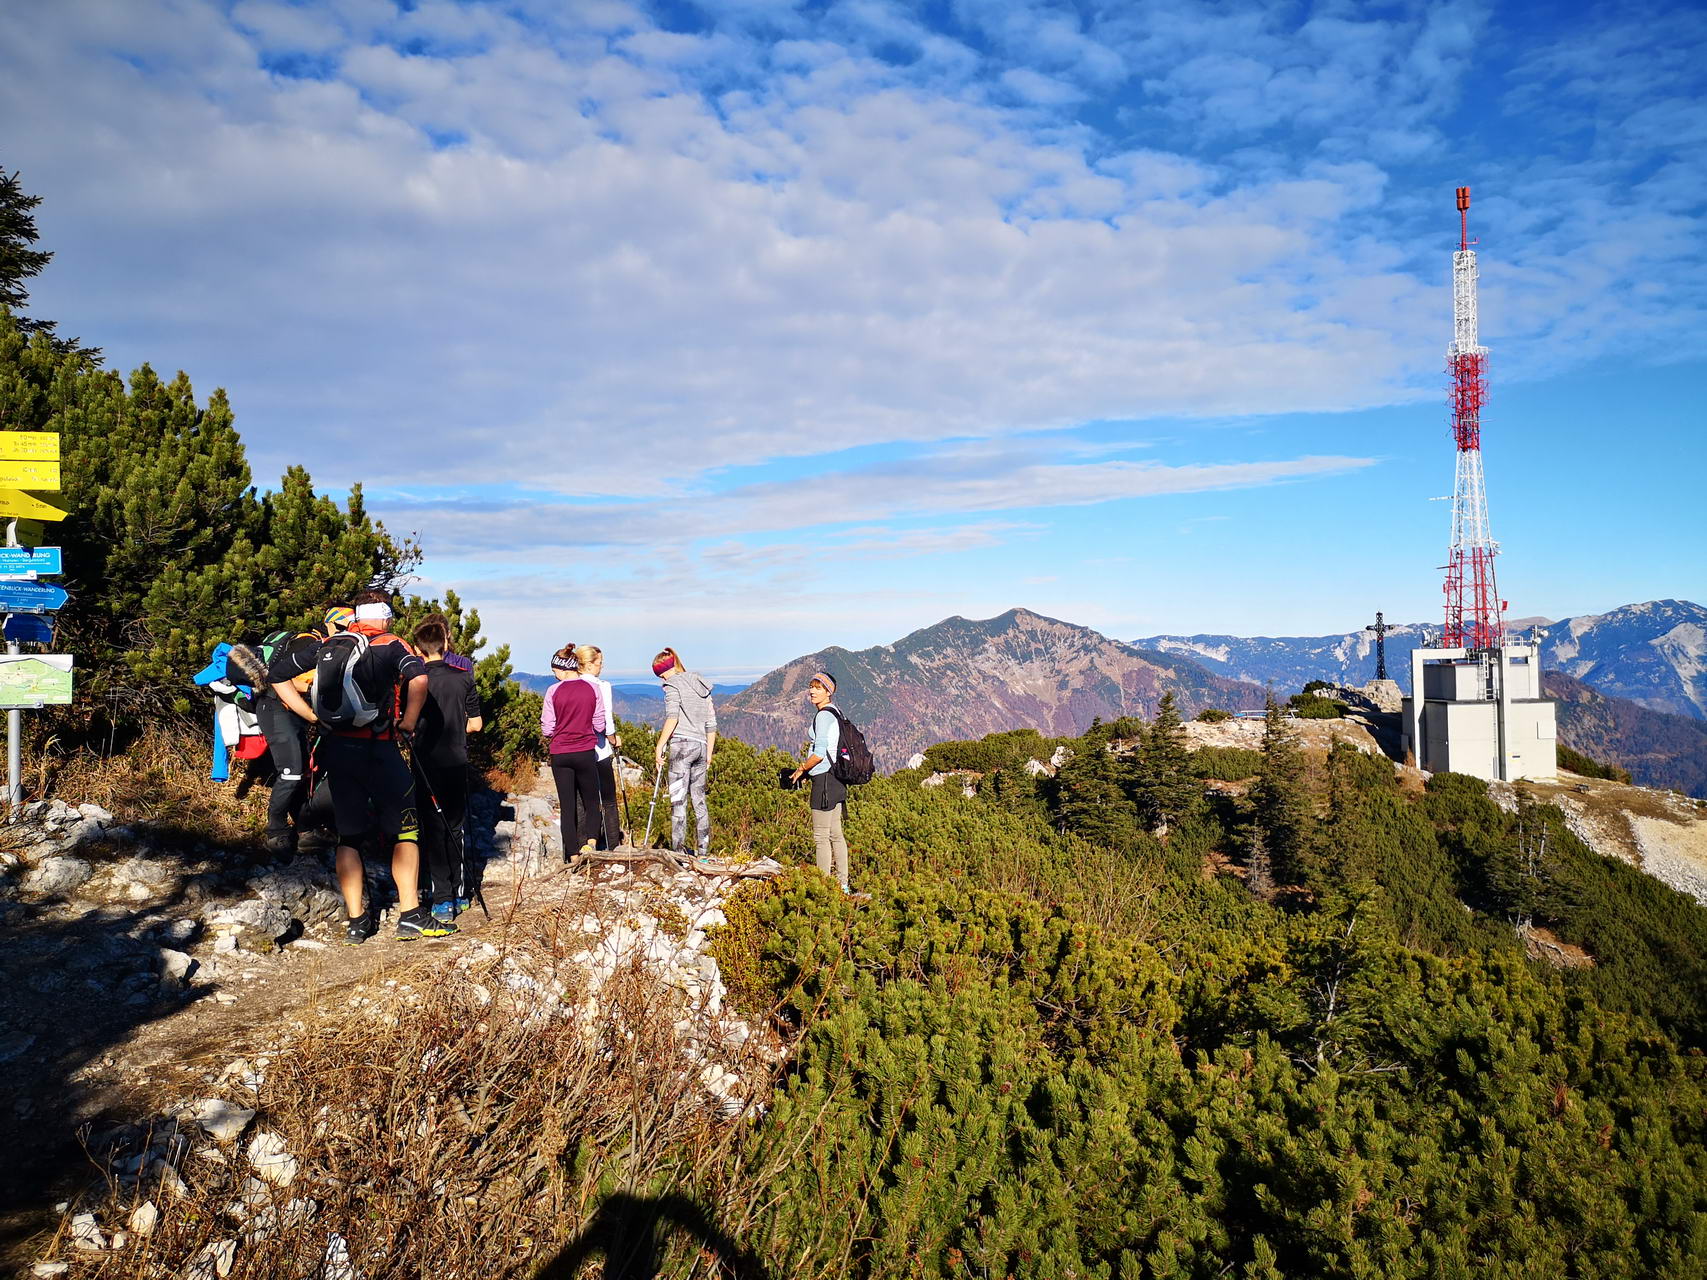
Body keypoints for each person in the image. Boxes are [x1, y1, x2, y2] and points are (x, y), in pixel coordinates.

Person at [309, 590, 454, 943]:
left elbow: (284, 679)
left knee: (349, 836)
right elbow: (419, 679)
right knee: (405, 830)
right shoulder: (391, 644)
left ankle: (357, 922)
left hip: (338, 750)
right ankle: (410, 915)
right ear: (385, 615)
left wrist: (310, 717)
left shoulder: (333, 643)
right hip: (378, 749)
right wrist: (408, 721)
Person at [256, 606, 353, 855]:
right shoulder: (306, 643)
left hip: (294, 712)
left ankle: (305, 830)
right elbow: (282, 678)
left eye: (350, 627)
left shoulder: (331, 646)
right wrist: (314, 694)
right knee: (291, 772)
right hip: (276, 708)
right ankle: (275, 832)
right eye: (341, 627)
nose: (346, 632)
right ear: (328, 624)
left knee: (302, 771)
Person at [412, 613, 483, 921]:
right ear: (445, 643)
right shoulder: (463, 676)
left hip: (426, 762)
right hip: (457, 758)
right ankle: (459, 892)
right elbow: (476, 724)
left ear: (418, 648)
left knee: (433, 828)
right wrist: (455, 733)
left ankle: (441, 899)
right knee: (456, 825)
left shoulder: (415, 680)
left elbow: (407, 724)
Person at [542, 644, 606, 866]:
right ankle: (592, 844)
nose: (554, 675)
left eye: (554, 671)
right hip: (585, 751)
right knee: (591, 801)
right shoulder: (591, 689)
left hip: (560, 753)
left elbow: (547, 729)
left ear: (561, 668)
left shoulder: (553, 691)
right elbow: (599, 722)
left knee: (567, 807)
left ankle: (573, 856)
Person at [652, 647, 716, 859]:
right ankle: (703, 852)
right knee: (699, 801)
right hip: (701, 746)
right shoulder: (701, 684)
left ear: (662, 672)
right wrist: (709, 753)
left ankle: (678, 853)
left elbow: (673, 717)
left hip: (681, 746)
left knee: (678, 801)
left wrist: (660, 744)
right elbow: (711, 723)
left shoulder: (672, 685)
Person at [789, 672, 851, 892]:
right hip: (837, 779)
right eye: (811, 687)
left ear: (828, 691)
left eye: (818, 687)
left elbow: (820, 752)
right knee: (836, 834)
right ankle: (843, 884)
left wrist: (802, 769)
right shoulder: (836, 712)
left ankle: (822, 887)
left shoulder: (824, 715)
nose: (812, 691)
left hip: (824, 780)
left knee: (820, 837)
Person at [574, 644, 625, 850]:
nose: (601, 667)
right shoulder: (602, 686)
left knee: (582, 799)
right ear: (588, 664)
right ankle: (612, 845)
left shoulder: (571, 685)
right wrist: (613, 738)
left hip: (577, 749)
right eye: (599, 663)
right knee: (608, 798)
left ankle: (582, 844)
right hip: (600, 748)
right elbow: (606, 717)